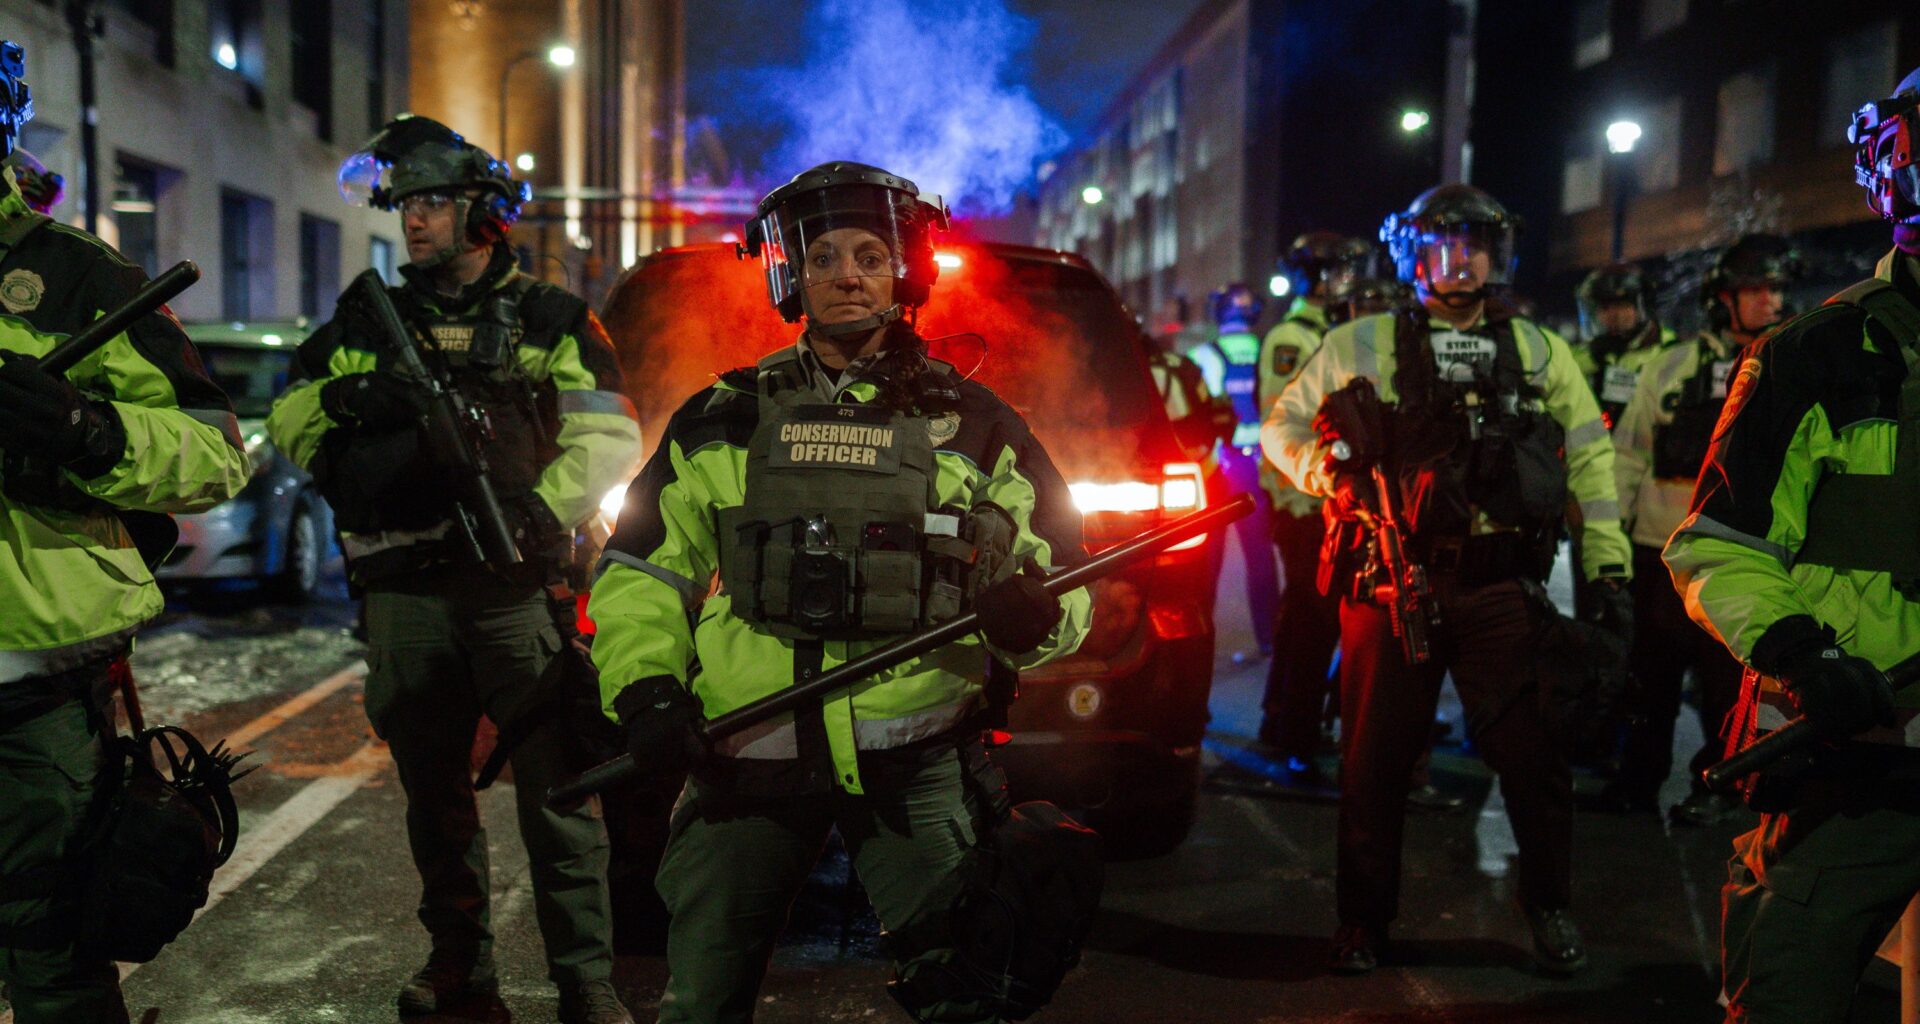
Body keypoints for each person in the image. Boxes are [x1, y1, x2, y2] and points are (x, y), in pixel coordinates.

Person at [585, 161, 1091, 1023]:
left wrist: (1031, 616)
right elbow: (641, 574)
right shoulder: (722, 417)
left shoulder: (980, 424)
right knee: (701, 998)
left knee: (968, 994)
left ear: (905, 271)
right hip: (748, 753)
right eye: (824, 257)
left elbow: (1061, 575)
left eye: (868, 254)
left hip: (919, 756)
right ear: (792, 275)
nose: (847, 275)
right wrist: (645, 690)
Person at [266, 115, 642, 1023]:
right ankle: (457, 966)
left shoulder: (551, 319)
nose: (415, 222)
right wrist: (356, 395)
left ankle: (584, 978)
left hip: (514, 587)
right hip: (405, 588)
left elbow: (607, 433)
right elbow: (293, 421)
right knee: (434, 796)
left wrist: (535, 512)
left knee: (557, 793)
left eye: (432, 202)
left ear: (482, 214)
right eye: (406, 206)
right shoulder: (366, 318)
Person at [1263, 183, 1633, 976]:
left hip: (1501, 586)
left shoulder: (1538, 350)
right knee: (1372, 766)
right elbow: (1281, 426)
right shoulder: (1360, 342)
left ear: (1499, 254)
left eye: (1473, 244)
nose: (1458, 260)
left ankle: (1550, 904)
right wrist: (1330, 475)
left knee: (1534, 759)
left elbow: (1592, 460)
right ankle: (1363, 921)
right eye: (1441, 244)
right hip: (1390, 582)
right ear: (1413, 253)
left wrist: (1607, 563)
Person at [0, 41, 250, 1024]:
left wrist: (87, 432)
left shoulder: (73, 276)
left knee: (53, 954)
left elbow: (215, 451)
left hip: (32, 696)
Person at [1664, 67, 1920, 1024]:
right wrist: (1803, 655)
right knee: (1787, 996)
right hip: (1853, 760)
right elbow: (1718, 547)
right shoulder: (1815, 352)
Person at [1602, 235, 1799, 825]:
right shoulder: (1672, 366)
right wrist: (1611, 542)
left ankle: (1717, 790)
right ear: (1723, 299)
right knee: (1649, 682)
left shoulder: (1791, 360)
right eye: (1756, 290)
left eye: (1776, 289)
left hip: (1740, 556)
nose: (1770, 300)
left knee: (1727, 689)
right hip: (1659, 552)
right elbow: (1629, 454)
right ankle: (1636, 783)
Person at [1254, 234, 1374, 785]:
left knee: (1303, 616)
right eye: (1338, 273)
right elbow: (1286, 418)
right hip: (1302, 500)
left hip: (1320, 498)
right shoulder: (1293, 336)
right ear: (1313, 278)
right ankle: (1298, 738)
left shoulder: (1330, 333)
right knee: (1314, 618)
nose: (1346, 283)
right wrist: (1303, 492)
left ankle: (1281, 723)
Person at [1190, 282, 1280, 657]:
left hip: (1217, 467)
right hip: (1256, 464)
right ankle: (1269, 638)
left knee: (1206, 562)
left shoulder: (1204, 355)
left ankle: (1198, 637)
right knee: (1260, 557)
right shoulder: (1266, 349)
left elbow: (1198, 414)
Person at [1573, 262, 1675, 430]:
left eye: (1622, 305)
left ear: (1643, 305)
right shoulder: (1587, 354)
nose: (1612, 315)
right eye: (1604, 307)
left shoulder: (1671, 350)